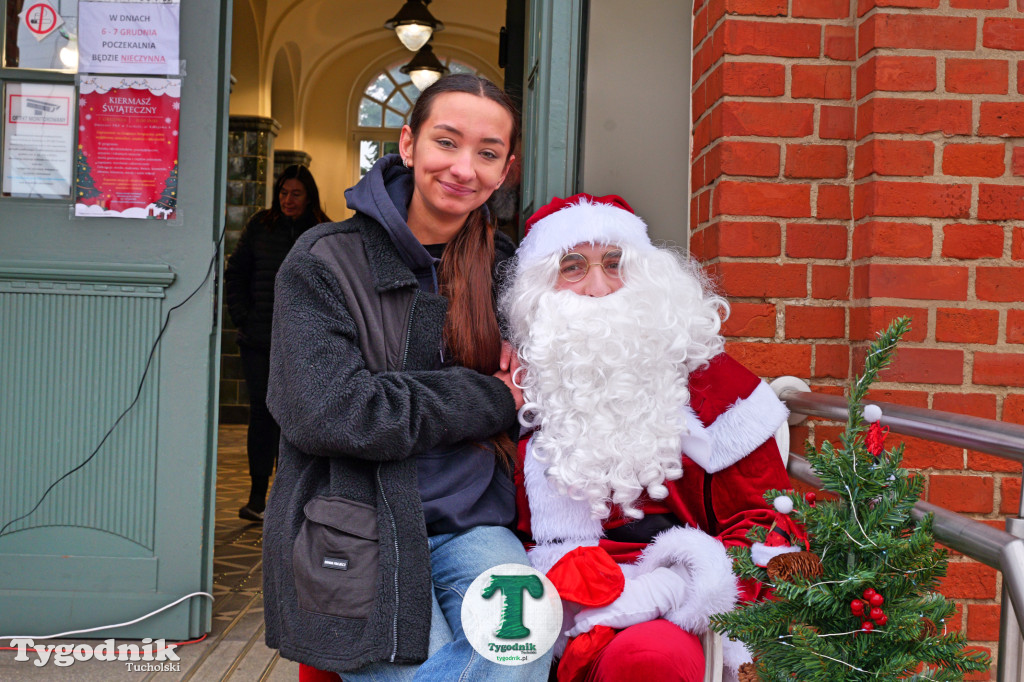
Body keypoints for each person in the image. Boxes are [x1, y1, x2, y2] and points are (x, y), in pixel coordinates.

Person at [261, 74, 552, 681]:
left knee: (522, 645)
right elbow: (330, 412)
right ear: (409, 144)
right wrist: (492, 395)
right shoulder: (325, 260)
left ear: (505, 171)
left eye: (487, 153)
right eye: (447, 141)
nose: (463, 168)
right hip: (352, 528)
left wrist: (533, 370)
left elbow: (558, 382)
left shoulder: (513, 275)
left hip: (470, 524)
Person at [500, 194, 805, 682]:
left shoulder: (712, 386)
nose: (598, 288)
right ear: (540, 288)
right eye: (573, 267)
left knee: (648, 659)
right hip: (547, 596)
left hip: (670, 601)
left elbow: (767, 518)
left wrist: (670, 584)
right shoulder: (516, 385)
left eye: (615, 264)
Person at [224, 164, 330, 522]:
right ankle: (257, 498)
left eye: (295, 193)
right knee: (263, 417)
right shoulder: (260, 226)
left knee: (295, 419)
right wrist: (243, 315)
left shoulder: (321, 231)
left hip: (303, 343)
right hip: (258, 340)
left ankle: (290, 499)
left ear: (309, 196)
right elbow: (235, 273)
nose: (287, 200)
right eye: (283, 192)